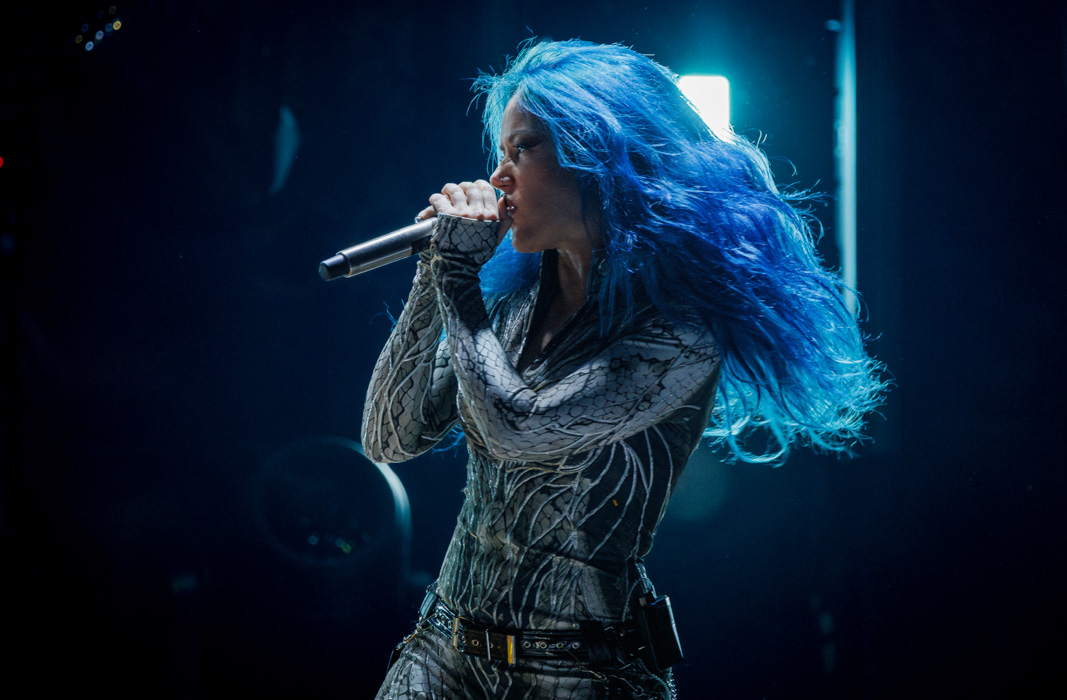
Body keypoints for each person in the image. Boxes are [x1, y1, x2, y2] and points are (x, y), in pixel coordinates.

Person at [361, 39, 885, 699]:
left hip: (578, 675)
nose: (498, 177)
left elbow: (516, 430)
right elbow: (389, 439)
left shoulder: (678, 332)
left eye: (522, 149)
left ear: (601, 157)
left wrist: (457, 278)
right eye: (500, 152)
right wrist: (430, 275)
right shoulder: (511, 302)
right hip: (441, 653)